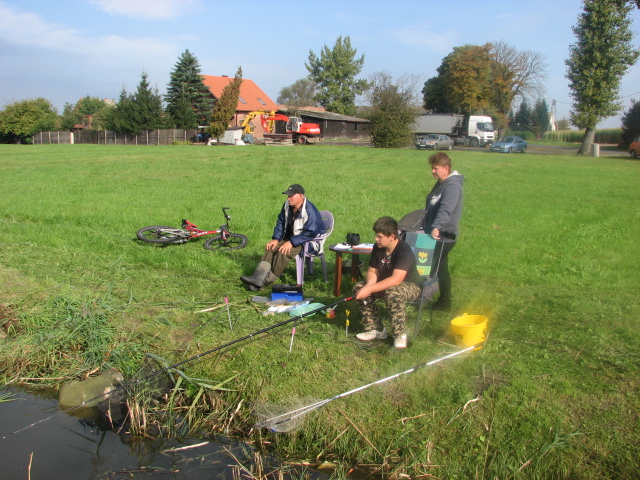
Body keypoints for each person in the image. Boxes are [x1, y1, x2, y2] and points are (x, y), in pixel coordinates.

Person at [240, 184, 325, 292]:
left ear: (300, 195)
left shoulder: (310, 211)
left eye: (291, 196)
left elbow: (310, 233)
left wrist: (291, 242)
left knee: (284, 252)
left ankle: (266, 282)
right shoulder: (287, 205)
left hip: (308, 242)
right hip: (292, 238)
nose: (288, 198)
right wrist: (276, 239)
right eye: (287, 196)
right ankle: (257, 277)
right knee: (271, 247)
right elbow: (280, 222)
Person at [353, 216, 422, 349]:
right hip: (386, 282)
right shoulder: (378, 248)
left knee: (393, 292)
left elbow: (397, 279)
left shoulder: (404, 250)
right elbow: (372, 272)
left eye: (379, 236)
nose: (376, 239)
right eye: (376, 236)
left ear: (392, 236)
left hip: (410, 286)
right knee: (359, 287)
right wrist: (368, 286)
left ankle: (399, 334)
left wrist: (371, 289)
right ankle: (376, 329)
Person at [423, 152, 464, 311]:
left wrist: (437, 226)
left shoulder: (452, 186)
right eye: (432, 168)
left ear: (446, 168)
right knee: (441, 267)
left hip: (444, 236)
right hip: (436, 234)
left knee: (434, 267)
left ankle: (432, 298)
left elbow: (446, 208)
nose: (433, 171)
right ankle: (444, 300)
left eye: (436, 168)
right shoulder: (442, 183)